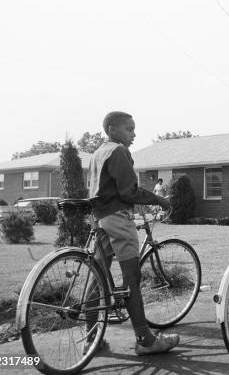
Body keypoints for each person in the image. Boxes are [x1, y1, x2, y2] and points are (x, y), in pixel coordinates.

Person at [88, 111, 180, 356]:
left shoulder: (98, 153)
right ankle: (145, 340)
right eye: (129, 129)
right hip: (119, 218)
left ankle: (91, 339)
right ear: (113, 129)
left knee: (98, 276)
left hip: (100, 218)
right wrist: (158, 199)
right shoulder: (118, 151)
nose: (134, 134)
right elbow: (129, 192)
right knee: (132, 279)